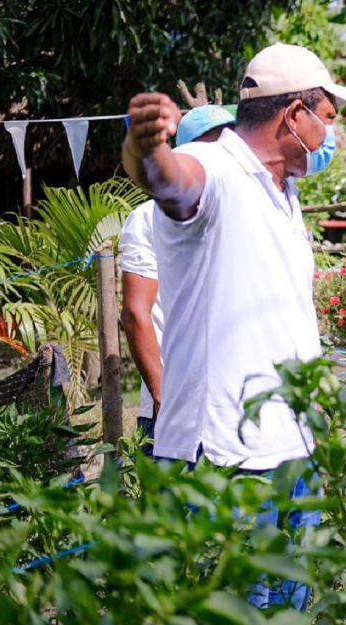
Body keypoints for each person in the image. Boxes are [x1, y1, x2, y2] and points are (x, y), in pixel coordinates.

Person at [121, 43, 346, 610]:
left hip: (290, 452)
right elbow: (171, 181)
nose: (330, 135)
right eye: (327, 118)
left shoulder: (282, 192)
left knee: (288, 612)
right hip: (229, 461)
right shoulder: (221, 172)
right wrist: (147, 146)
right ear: (293, 114)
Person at [120, 104, 236, 444]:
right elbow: (135, 313)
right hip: (176, 403)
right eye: (213, 144)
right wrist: (161, 395)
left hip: (235, 405)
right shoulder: (146, 217)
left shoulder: (237, 209)